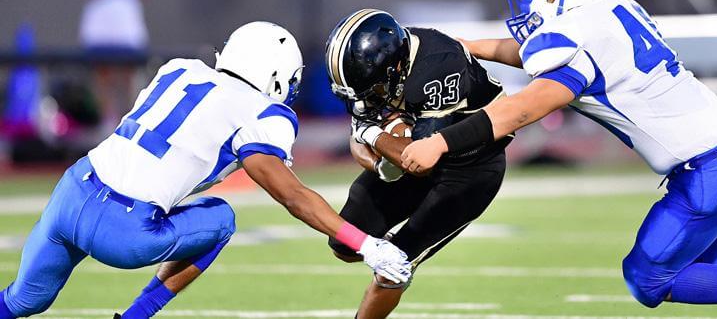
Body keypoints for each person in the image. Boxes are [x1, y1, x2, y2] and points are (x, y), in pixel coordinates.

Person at [401, 0, 717, 317]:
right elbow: (536, 54)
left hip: (709, 169)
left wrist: (442, 142)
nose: (522, 12)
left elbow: (525, 107)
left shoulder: (575, 37)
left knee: (647, 279)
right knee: (714, 269)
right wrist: (465, 47)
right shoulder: (605, 4)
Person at [0, 22, 411, 319]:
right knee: (222, 217)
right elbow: (291, 194)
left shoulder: (177, 69)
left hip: (72, 190)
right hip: (123, 231)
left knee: (22, 301)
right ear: (275, 76)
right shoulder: (265, 111)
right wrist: (366, 245)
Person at [325, 9, 511, 319]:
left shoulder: (438, 64)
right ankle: (394, 249)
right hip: (415, 152)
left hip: (470, 169)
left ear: (397, 66)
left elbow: (419, 159)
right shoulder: (383, 60)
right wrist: (376, 162)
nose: (369, 97)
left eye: (375, 88)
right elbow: (358, 139)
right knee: (344, 244)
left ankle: (401, 257)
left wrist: (375, 134)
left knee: (393, 269)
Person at [79, 0, 154, 133]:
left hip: (126, 18)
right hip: (101, 18)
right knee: (103, 73)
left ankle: (130, 119)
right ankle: (107, 121)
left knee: (129, 73)